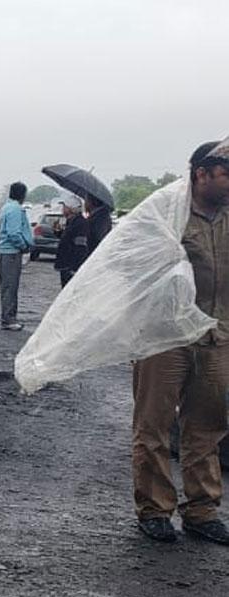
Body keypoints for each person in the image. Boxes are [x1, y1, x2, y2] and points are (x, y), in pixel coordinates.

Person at [132, 142, 229, 545]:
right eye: (227, 172)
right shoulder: (164, 213)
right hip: (162, 336)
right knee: (154, 425)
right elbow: (130, 265)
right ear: (201, 173)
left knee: (208, 426)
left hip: (217, 335)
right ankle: (155, 510)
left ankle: (202, 510)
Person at [0, 181, 35, 331]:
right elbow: (14, 233)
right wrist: (24, 246)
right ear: (22, 195)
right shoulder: (15, 210)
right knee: (10, 287)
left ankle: (8, 317)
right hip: (10, 254)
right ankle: (9, 319)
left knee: (7, 286)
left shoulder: (7, 207)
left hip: (5, 253)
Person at [53, 195, 88, 288]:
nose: (63, 209)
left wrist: (75, 268)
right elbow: (68, 239)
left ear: (71, 209)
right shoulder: (71, 222)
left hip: (70, 266)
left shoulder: (79, 223)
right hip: (65, 265)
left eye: (65, 207)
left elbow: (80, 246)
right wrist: (58, 232)